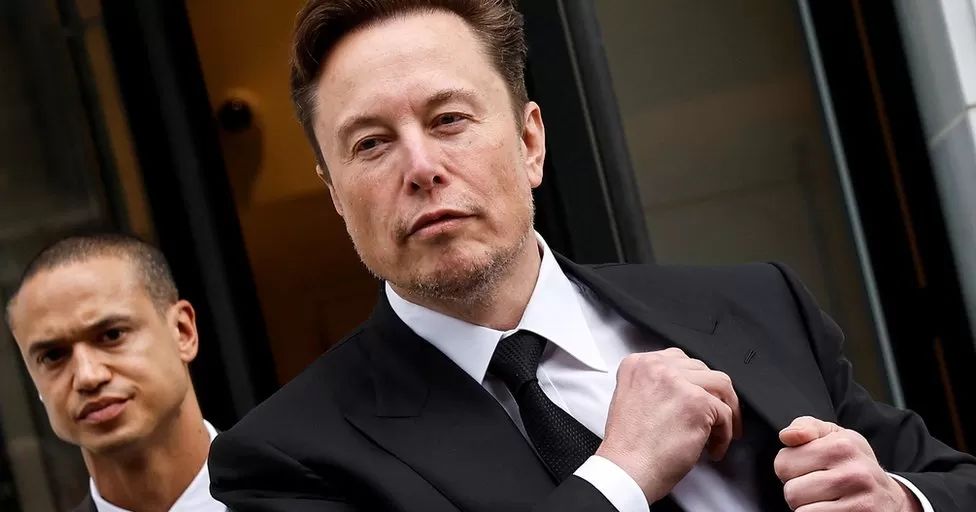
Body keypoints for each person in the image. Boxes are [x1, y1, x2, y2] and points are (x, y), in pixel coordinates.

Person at [208, 1, 976, 510]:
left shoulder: (758, 303)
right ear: (336, 195)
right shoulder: (285, 460)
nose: (421, 167)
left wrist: (899, 499)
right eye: (371, 143)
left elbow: (956, 481)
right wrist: (619, 476)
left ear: (531, 142)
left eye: (449, 120)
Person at [5, 234, 226, 512]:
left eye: (112, 335)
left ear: (183, 332)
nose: (88, 376)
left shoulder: (280, 487)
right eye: (53, 356)